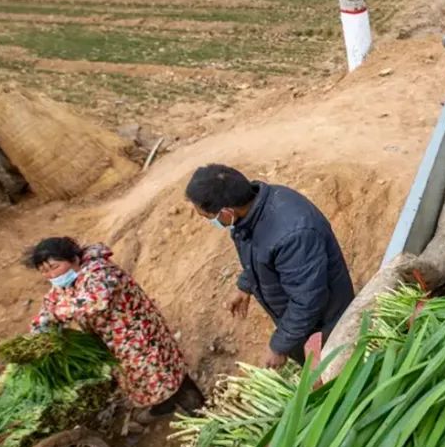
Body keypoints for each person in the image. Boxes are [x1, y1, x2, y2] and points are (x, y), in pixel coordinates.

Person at [185, 164, 354, 369]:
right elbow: (259, 251)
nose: (211, 223)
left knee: (336, 372)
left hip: (325, 324)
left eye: (209, 218)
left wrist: (279, 347)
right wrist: (245, 285)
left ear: (227, 212)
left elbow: (307, 301)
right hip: (304, 322)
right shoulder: (253, 211)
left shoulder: (293, 234)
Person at [26, 237, 205, 420]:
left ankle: (200, 412)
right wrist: (40, 327)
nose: (51, 276)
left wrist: (59, 313)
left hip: (138, 335)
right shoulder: (65, 283)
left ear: (74, 259)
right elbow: (50, 304)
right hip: (116, 344)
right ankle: (165, 404)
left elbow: (97, 301)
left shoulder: (99, 271)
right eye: (44, 271)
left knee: (164, 371)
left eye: (55, 267)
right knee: (142, 377)